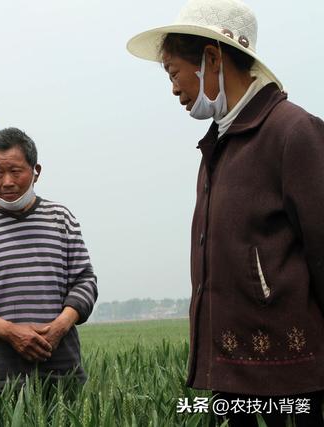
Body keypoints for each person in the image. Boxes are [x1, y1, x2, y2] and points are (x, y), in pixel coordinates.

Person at [127, 0, 324, 425]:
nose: (174, 88)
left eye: (173, 72)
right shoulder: (220, 142)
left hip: (288, 379)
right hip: (233, 375)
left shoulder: (292, 132)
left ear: (211, 59)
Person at [0, 127, 98, 391]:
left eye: (16, 172)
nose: (7, 182)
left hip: (61, 372)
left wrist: (61, 325)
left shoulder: (61, 218)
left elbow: (85, 282)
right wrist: (9, 332)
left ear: (36, 171)